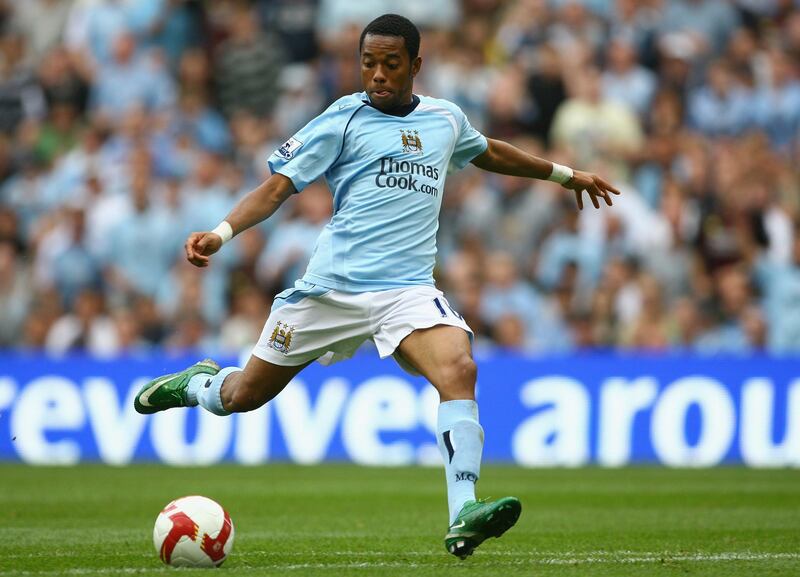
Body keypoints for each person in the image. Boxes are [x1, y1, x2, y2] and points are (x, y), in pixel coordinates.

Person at [134, 14, 620, 559]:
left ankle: (463, 512)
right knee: (243, 395)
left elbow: (490, 152)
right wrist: (222, 234)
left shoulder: (445, 119)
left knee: (459, 367)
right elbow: (277, 188)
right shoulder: (341, 119)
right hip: (331, 291)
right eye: (369, 63)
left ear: (415, 65)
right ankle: (198, 384)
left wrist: (563, 174)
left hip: (406, 291)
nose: (378, 75)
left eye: (391, 64)